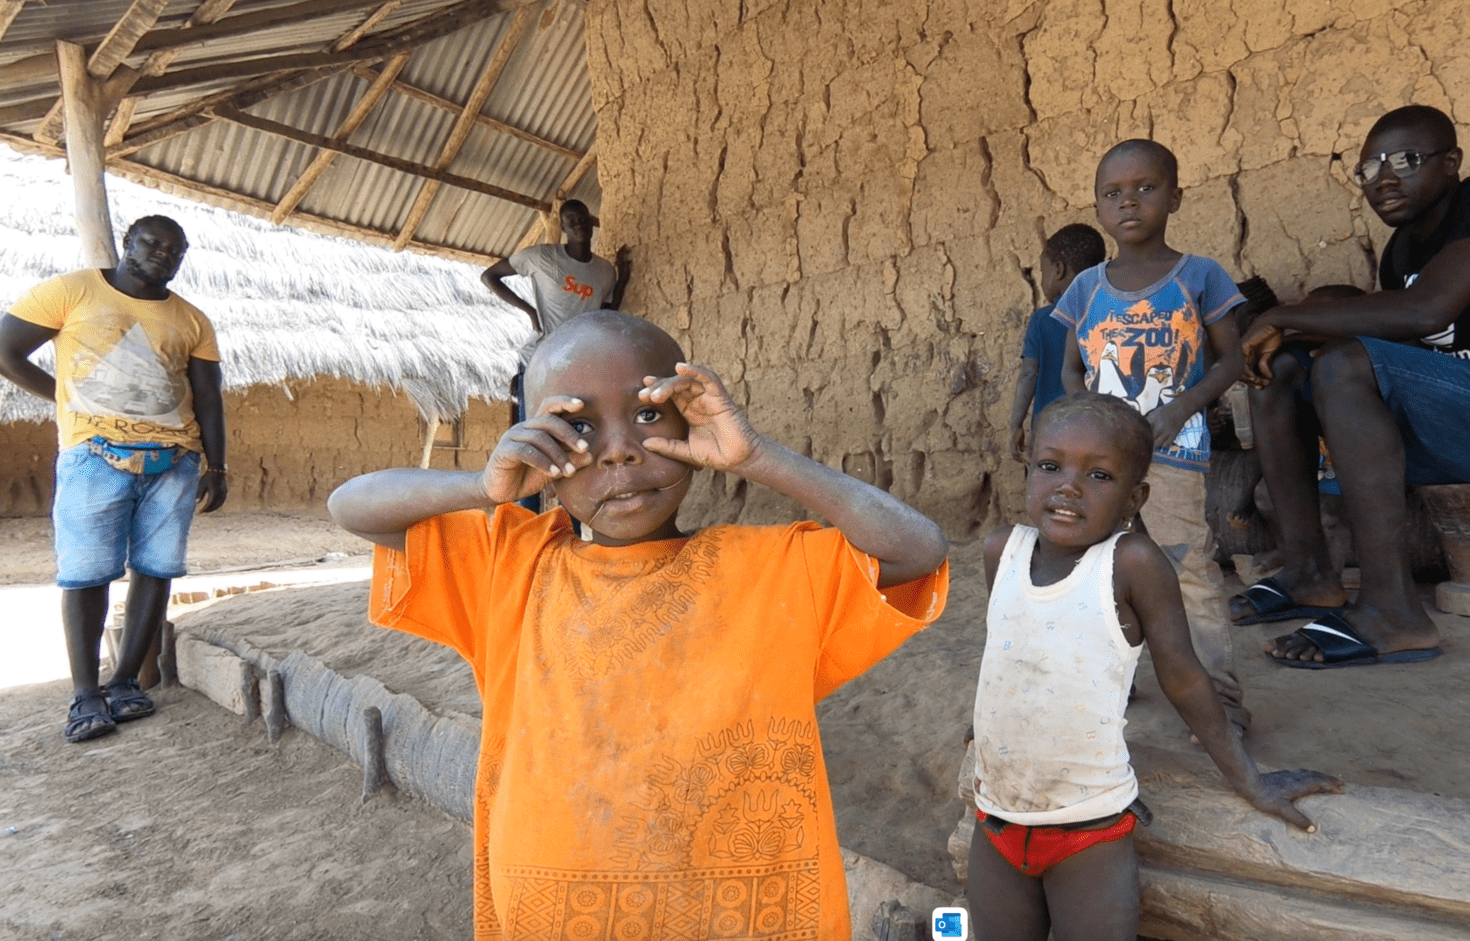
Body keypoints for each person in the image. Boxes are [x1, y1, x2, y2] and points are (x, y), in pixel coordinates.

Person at [327, 310, 949, 940]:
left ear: (691, 419)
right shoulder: (509, 564)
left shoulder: (772, 568)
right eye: (577, 427)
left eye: (648, 413)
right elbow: (352, 506)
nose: (618, 448)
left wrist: (759, 457)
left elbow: (917, 549)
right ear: (538, 442)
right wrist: (484, 487)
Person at [968, 393, 1342, 941]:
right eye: (1050, 467)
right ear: (1028, 469)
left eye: (1099, 475)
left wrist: (1250, 779)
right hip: (995, 821)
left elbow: (1184, 677)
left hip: (1088, 832)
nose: (1068, 486)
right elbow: (1013, 651)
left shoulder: (1131, 564)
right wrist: (987, 734)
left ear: (1133, 498)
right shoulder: (1002, 550)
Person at [1237, 104, 1470, 667]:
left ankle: (1394, 611)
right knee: (1282, 369)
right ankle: (1310, 572)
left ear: (1452, 164)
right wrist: (1292, 336)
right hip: (1450, 424)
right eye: (1368, 169)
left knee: (1344, 362)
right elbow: (1408, 347)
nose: (1383, 179)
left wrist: (1284, 315)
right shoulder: (1401, 252)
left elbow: (1428, 309)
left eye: (1405, 160)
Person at [0, 215, 228, 743]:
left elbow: (209, 398)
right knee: (86, 573)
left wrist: (216, 466)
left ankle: (125, 682)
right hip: (92, 457)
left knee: (156, 568)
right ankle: (85, 695)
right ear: (127, 243)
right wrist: (67, 397)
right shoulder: (70, 292)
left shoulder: (192, 320)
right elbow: (7, 353)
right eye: (151, 243)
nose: (162, 254)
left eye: (175, 250)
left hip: (175, 460)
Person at [1055, 139, 1250, 729]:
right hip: (1102, 460)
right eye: (1113, 194)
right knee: (1099, 569)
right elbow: (1069, 367)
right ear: (1097, 208)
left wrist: (1183, 406)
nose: (1129, 202)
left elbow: (1232, 360)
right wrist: (1086, 414)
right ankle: (1109, 685)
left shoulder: (1201, 275)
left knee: (1186, 566)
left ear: (1175, 197)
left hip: (1174, 453)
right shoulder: (1086, 287)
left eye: (1145, 188)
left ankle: (1222, 702)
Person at [481, 199, 630, 512]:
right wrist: (529, 310)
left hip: (576, 367)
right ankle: (527, 526)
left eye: (582, 219)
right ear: (562, 227)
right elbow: (490, 276)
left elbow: (604, 313)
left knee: (574, 447)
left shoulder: (604, 271)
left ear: (591, 222)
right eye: (570, 220)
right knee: (531, 445)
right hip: (539, 362)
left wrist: (624, 278)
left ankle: (572, 528)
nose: (578, 225)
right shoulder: (542, 257)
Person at [1008, 223, 1107, 462]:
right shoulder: (1108, 315)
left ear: (1058, 270)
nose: (1043, 280)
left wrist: (1015, 424)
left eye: (1043, 271)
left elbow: (1029, 374)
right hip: (1099, 430)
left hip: (1051, 434)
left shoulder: (1043, 320)